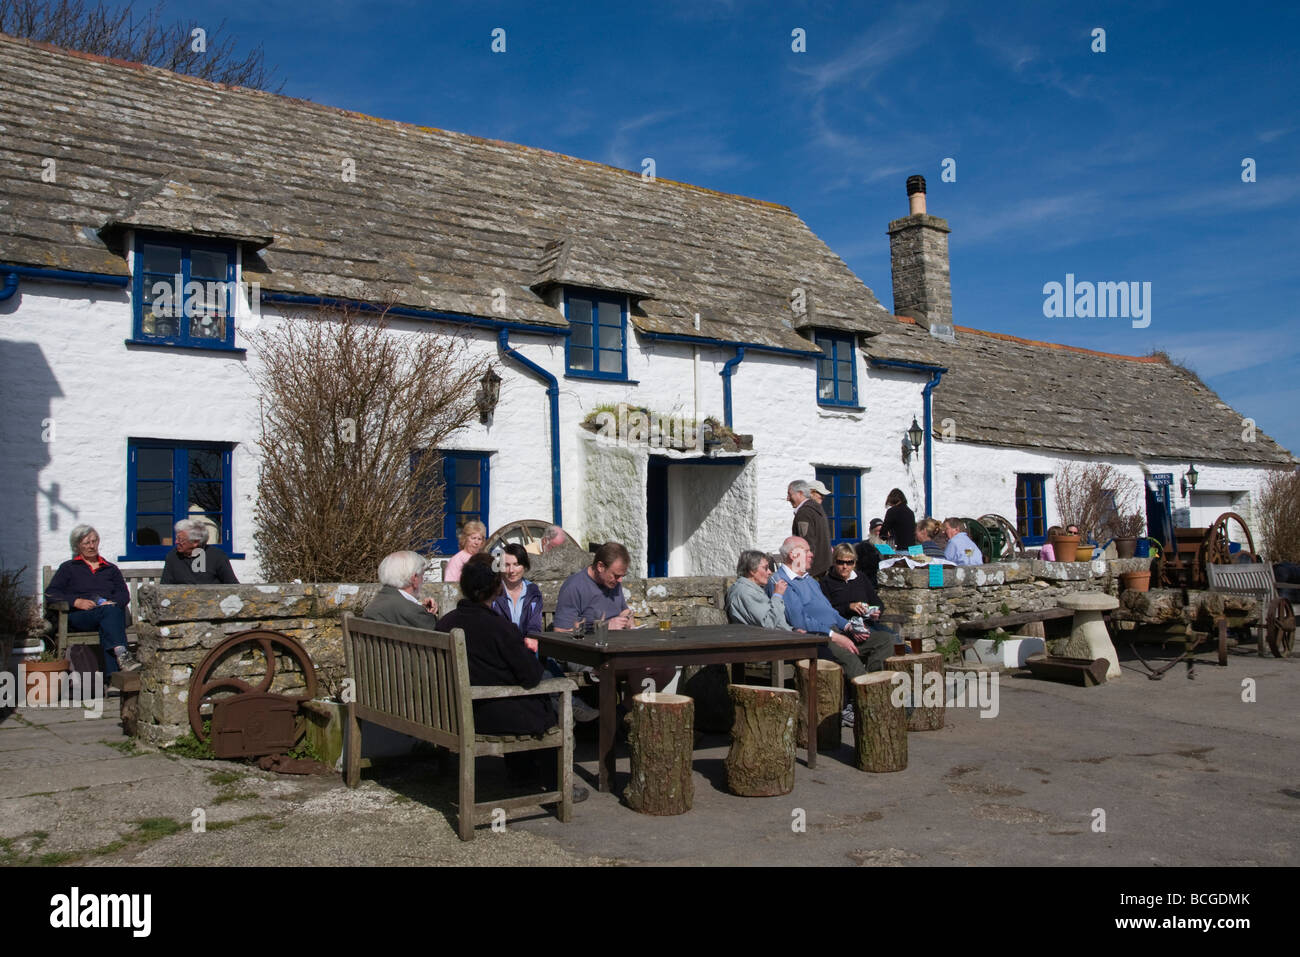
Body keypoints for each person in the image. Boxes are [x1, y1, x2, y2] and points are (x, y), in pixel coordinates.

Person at [438, 555, 587, 802]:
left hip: (451, 711)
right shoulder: (499, 628)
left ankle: (522, 774)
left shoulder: (446, 623)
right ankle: (557, 785)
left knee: (521, 702)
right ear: (497, 588)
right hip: (485, 715)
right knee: (544, 706)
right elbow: (530, 676)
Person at [768, 537, 883, 727]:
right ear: (793, 555)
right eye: (807, 551)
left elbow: (830, 611)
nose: (812, 554)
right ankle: (867, 708)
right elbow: (799, 620)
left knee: (883, 640)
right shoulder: (782, 582)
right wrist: (836, 636)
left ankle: (877, 693)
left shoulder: (808, 580)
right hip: (813, 636)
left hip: (835, 629)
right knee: (849, 656)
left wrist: (848, 626)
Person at [553, 541, 674, 697]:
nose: (620, 581)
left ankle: (629, 710)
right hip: (586, 654)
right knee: (640, 667)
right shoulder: (575, 586)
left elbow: (623, 610)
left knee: (667, 667)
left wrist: (628, 618)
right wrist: (603, 627)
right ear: (600, 566)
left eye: (622, 576)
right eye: (616, 575)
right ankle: (635, 714)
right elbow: (561, 632)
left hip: (618, 648)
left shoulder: (612, 583)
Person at [43, 524, 139, 674]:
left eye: (94, 541)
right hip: (81, 616)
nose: (91, 546)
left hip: (107, 615)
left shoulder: (110, 568)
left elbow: (123, 594)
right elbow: (51, 593)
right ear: (77, 546)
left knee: (108, 622)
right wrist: (76, 601)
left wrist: (112, 603)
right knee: (112, 619)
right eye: (86, 543)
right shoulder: (69, 567)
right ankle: (122, 657)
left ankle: (113, 681)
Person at [818, 543, 899, 673]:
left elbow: (877, 602)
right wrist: (848, 607)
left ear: (854, 563)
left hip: (866, 627)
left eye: (849, 563)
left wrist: (876, 612)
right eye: (840, 562)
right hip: (843, 630)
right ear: (834, 562)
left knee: (890, 639)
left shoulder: (860, 578)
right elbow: (826, 612)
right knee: (890, 639)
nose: (845, 567)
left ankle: (875, 676)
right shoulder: (826, 583)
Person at [362, 551, 439, 627]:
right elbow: (436, 633)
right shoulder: (413, 612)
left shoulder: (375, 603)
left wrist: (421, 608)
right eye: (422, 575)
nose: (423, 580)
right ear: (414, 579)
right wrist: (429, 615)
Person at [725, 550, 791, 630]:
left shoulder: (752, 589)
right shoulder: (745, 592)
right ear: (752, 570)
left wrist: (792, 629)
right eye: (765, 568)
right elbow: (768, 624)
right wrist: (777, 595)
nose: (770, 572)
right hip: (772, 639)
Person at [160, 518, 239, 585]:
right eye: (176, 538)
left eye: (180, 540)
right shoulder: (173, 556)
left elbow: (233, 585)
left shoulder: (217, 556)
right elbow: (164, 586)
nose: (176, 542)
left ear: (195, 542)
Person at [788, 479, 832, 578]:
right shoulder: (817, 509)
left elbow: (806, 544)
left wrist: (800, 572)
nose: (787, 498)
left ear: (800, 493)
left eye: (790, 494)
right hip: (822, 568)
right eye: (820, 494)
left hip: (813, 571)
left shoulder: (805, 512)